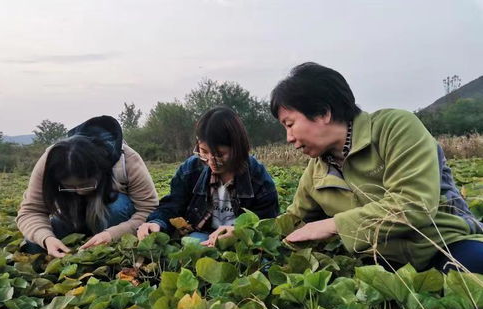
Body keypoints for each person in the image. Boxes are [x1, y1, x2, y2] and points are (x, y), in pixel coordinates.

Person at [271, 62, 483, 273]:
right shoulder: (316, 170)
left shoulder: (394, 127)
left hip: (444, 245)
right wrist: (243, 232)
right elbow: (293, 221)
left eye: (290, 125)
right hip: (382, 261)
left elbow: (414, 203)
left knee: (471, 271)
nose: (288, 138)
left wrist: (333, 225)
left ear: (323, 113)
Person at [17, 115, 158, 258]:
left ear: (101, 172)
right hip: (70, 215)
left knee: (117, 206)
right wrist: (47, 239)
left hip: (112, 217)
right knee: (34, 242)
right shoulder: (50, 163)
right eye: (69, 187)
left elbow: (148, 209)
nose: (79, 192)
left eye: (85, 185)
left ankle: (112, 252)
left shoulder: (126, 160)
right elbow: (31, 211)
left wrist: (113, 234)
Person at [137, 106, 279, 246]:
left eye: (219, 155)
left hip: (242, 242)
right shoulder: (190, 170)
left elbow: (267, 224)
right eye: (204, 151)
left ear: (237, 147)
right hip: (202, 236)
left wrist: (239, 232)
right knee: (193, 242)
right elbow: (173, 204)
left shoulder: (258, 177)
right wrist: (156, 223)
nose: (211, 161)